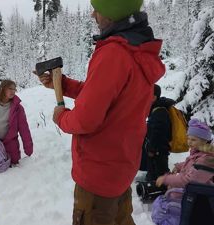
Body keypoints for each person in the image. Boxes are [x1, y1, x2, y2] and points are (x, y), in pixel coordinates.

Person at [35, 0, 166, 224]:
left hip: (97, 175)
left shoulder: (114, 53)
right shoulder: (138, 51)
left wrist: (61, 116)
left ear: (114, 13)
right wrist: (64, 85)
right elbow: (107, 96)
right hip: (120, 169)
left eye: (98, 8)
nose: (92, 14)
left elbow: (86, 119)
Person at [155, 119, 214, 189]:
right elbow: (193, 163)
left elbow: (189, 180)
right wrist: (179, 166)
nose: (189, 142)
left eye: (193, 140)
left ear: (204, 141)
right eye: (188, 139)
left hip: (199, 195)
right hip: (191, 193)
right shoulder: (198, 152)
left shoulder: (207, 158)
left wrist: (166, 179)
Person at [143, 84, 175, 181]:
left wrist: (152, 149)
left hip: (158, 150)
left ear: (154, 97)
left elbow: (158, 133)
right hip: (158, 149)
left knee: (160, 174)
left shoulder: (159, 111)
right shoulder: (156, 109)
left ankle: (163, 192)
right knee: (156, 173)